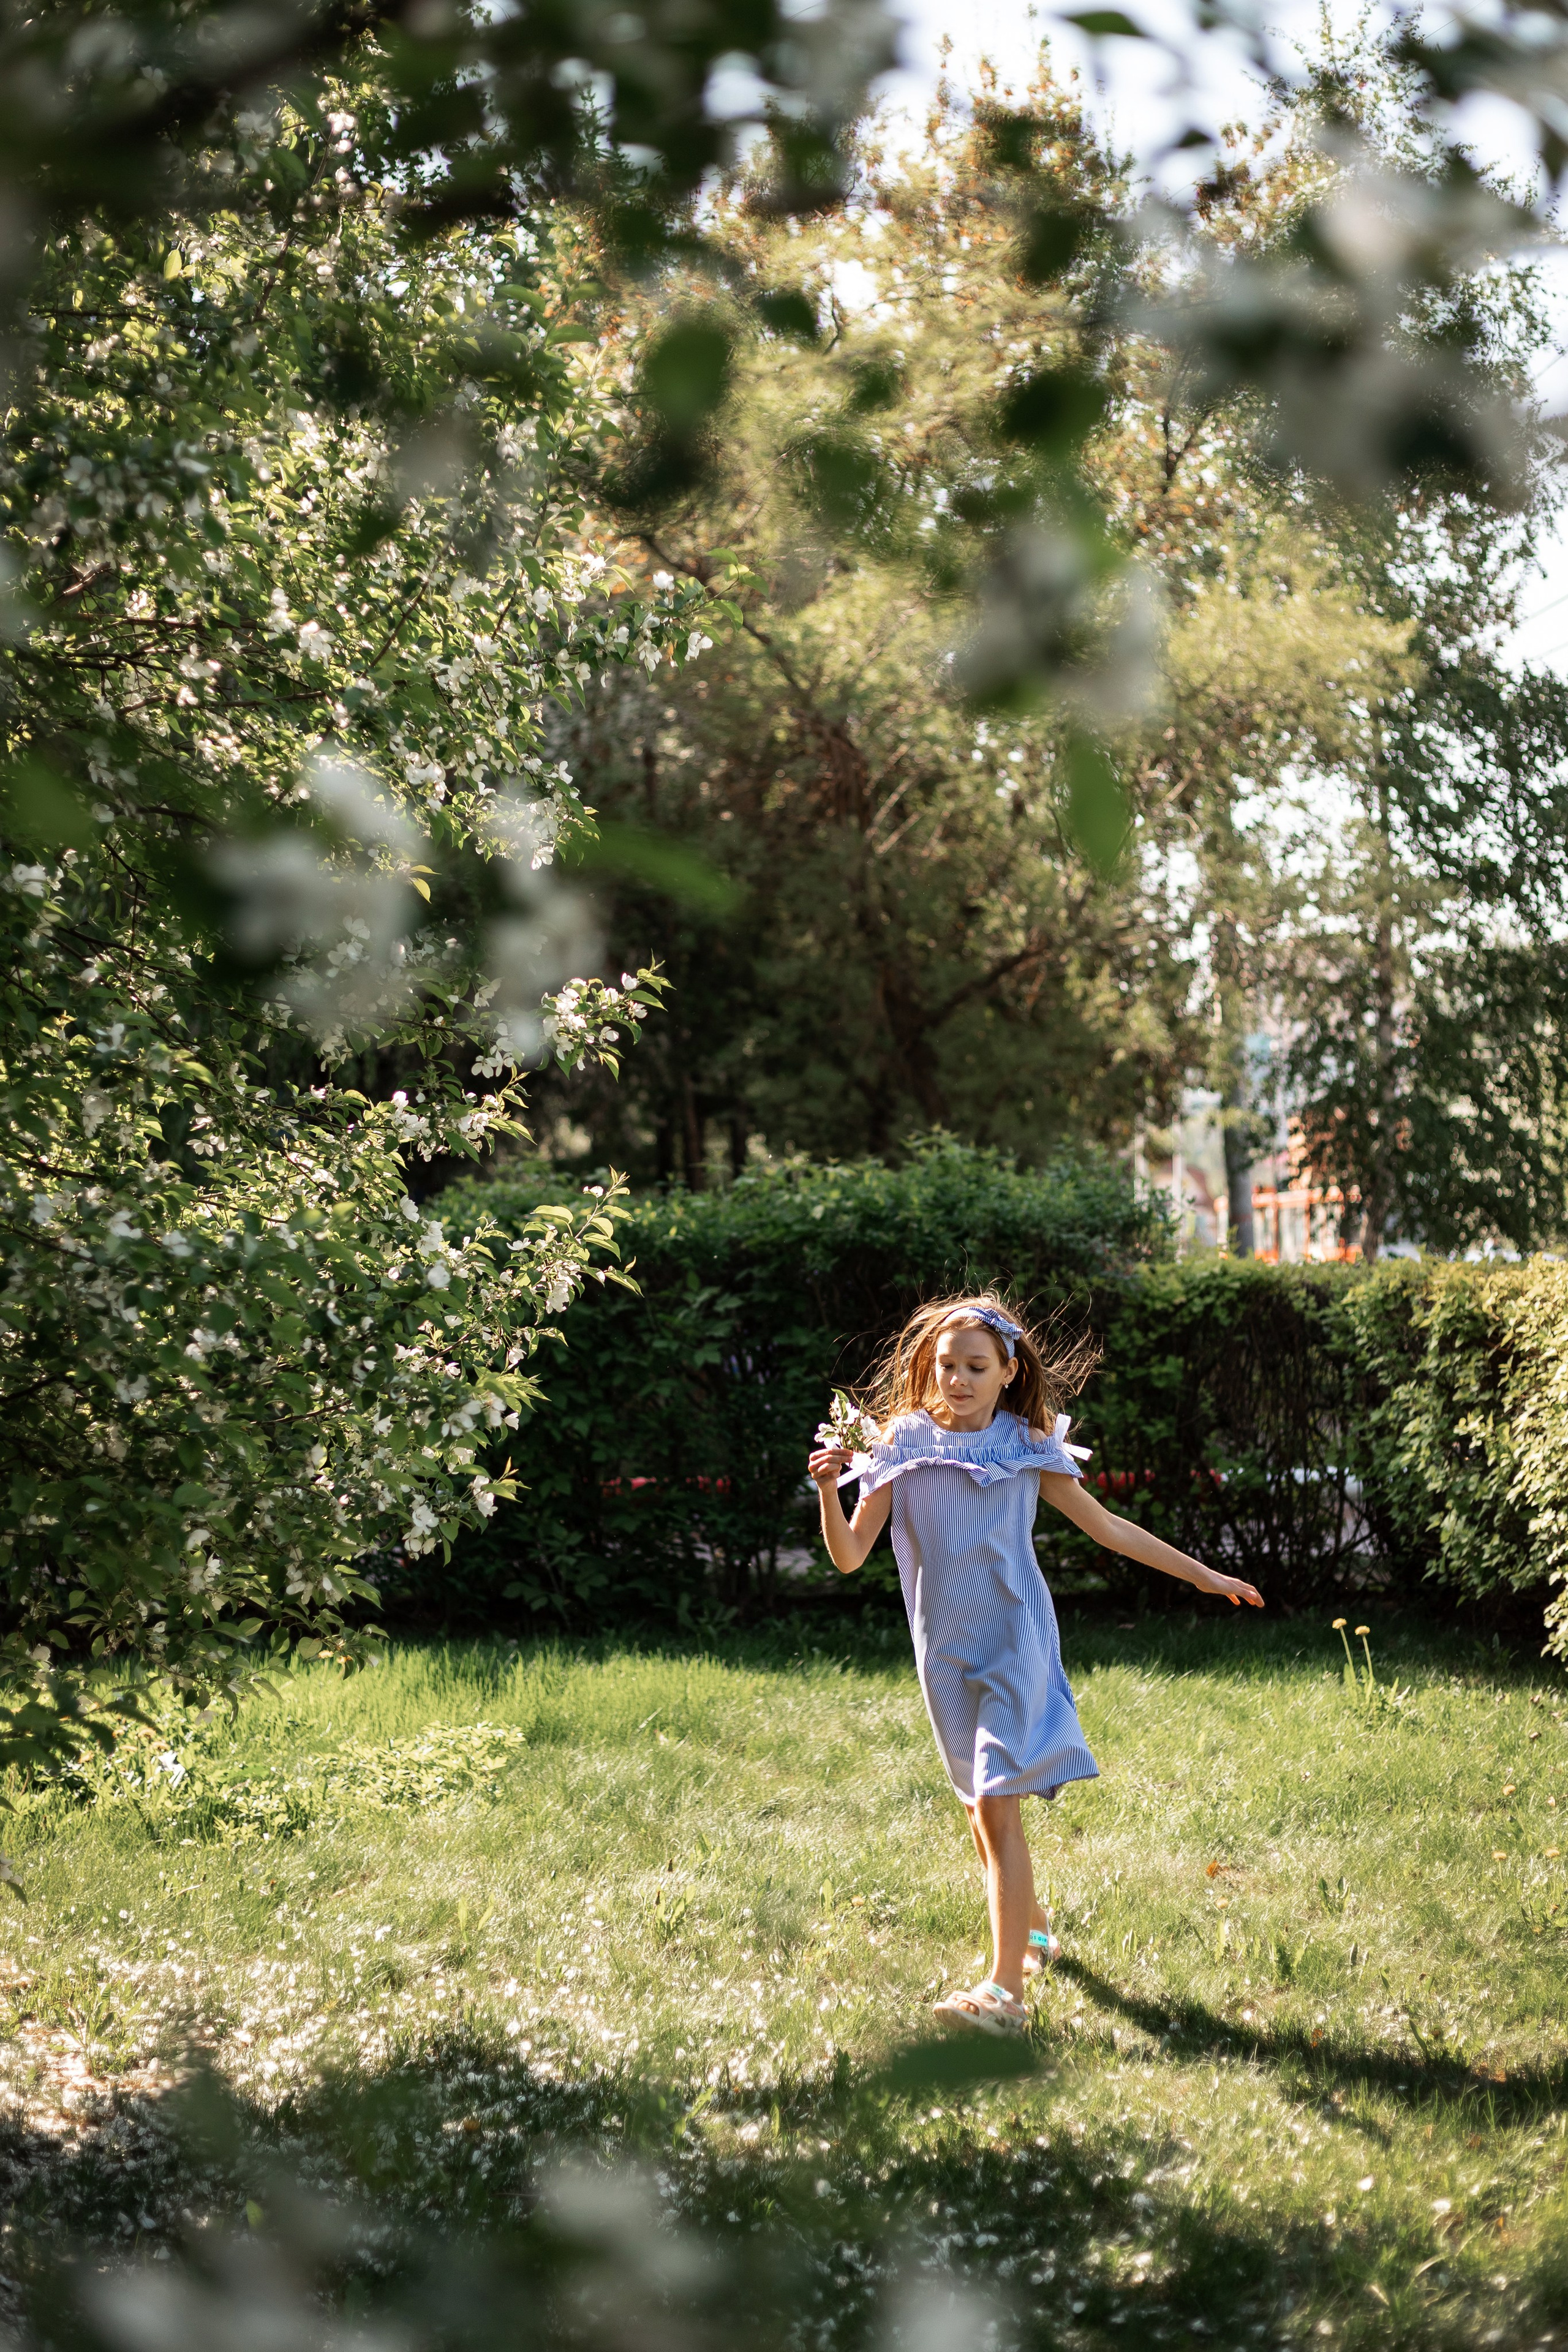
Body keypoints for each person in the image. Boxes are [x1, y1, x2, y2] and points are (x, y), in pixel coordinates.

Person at [807, 1292, 1263, 2038]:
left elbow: (1107, 1528)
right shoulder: (898, 1444)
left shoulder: (1027, 1446)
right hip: (943, 1653)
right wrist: (831, 1488)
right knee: (979, 1814)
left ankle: (1004, 1995)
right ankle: (1035, 1926)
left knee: (995, 1800)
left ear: (1007, 1370)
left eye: (974, 1367)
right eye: (944, 1365)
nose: (956, 1378)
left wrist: (1202, 1576)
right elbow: (850, 1556)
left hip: (1015, 1641)